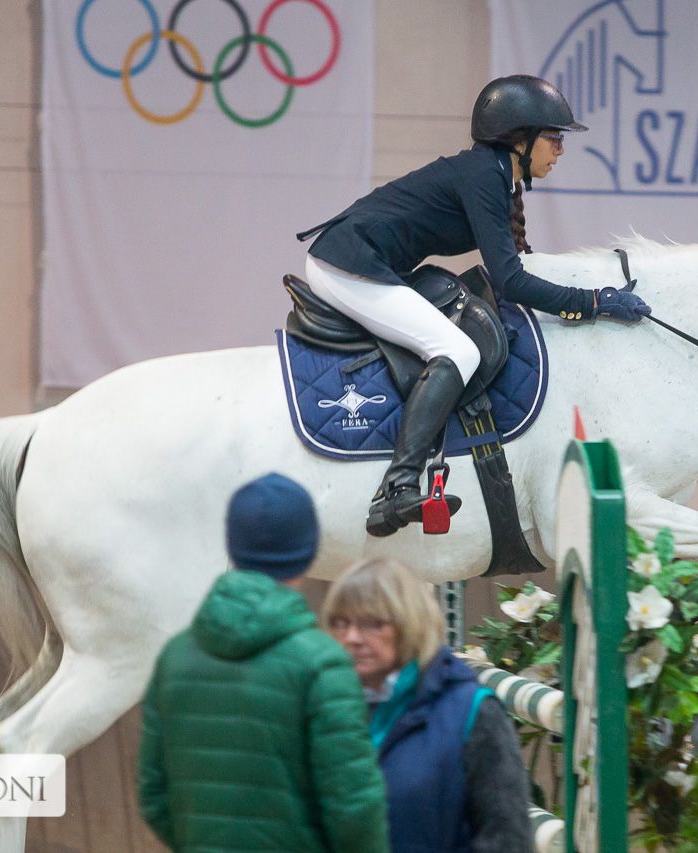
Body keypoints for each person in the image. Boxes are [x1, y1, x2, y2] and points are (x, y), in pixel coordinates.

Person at [297, 74, 651, 537]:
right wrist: (592, 302)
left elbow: (520, 265)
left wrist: (588, 293)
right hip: (346, 266)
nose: (561, 150)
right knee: (459, 351)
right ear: (520, 140)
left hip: (367, 263)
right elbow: (512, 281)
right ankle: (397, 488)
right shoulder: (485, 176)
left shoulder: (497, 177)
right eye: (554, 138)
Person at [137, 473, 389, 853]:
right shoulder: (322, 664)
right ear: (309, 551)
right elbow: (353, 807)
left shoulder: (174, 657)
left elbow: (154, 795)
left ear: (232, 546)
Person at [321, 557, 535, 853]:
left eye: (373, 623)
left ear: (411, 625)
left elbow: (507, 839)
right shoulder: (325, 707)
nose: (352, 637)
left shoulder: (473, 712)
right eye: (340, 623)